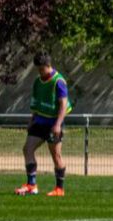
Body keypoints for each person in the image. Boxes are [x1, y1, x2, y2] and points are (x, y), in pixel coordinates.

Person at [16, 52, 71, 197]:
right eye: (38, 69)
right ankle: (31, 185)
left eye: (42, 69)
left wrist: (58, 124)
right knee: (27, 149)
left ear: (48, 66)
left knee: (56, 156)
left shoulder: (59, 81)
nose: (40, 72)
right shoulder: (37, 81)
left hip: (53, 123)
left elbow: (63, 105)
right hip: (40, 121)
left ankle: (59, 189)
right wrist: (31, 120)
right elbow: (36, 103)